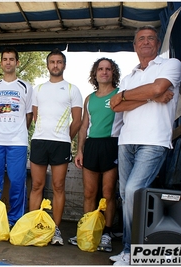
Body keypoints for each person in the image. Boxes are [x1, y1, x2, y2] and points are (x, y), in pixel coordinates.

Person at [108, 25, 181, 265]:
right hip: (126, 141)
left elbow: (159, 87)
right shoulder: (129, 77)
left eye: (151, 38)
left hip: (153, 140)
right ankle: (131, 250)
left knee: (133, 192)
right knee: (125, 195)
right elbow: (116, 105)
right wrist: (150, 96)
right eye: (141, 39)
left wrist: (132, 95)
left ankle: (132, 250)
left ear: (158, 44)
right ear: (134, 45)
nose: (146, 42)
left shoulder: (171, 65)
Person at [28, 48, 83, 245]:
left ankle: (55, 229)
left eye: (59, 62)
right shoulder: (39, 89)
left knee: (58, 186)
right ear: (47, 65)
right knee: (36, 185)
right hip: (39, 142)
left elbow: (77, 120)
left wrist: (64, 138)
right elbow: (35, 116)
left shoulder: (72, 89)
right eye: (52, 62)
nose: (55, 65)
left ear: (64, 65)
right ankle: (34, 226)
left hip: (61, 143)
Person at [68, 58, 123, 251]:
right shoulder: (89, 99)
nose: (104, 72)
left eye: (108, 69)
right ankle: (87, 230)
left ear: (113, 73)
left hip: (111, 145)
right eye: (101, 69)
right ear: (95, 73)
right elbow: (83, 127)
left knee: (108, 193)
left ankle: (106, 233)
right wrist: (80, 150)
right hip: (91, 146)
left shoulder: (120, 94)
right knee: (89, 193)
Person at [0, 47, 33, 227]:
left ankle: (14, 219)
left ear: (17, 63)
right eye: (5, 59)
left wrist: (18, 130)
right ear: (1, 62)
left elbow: (29, 115)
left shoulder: (26, 87)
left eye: (11, 59)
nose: (8, 62)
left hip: (17, 142)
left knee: (17, 181)